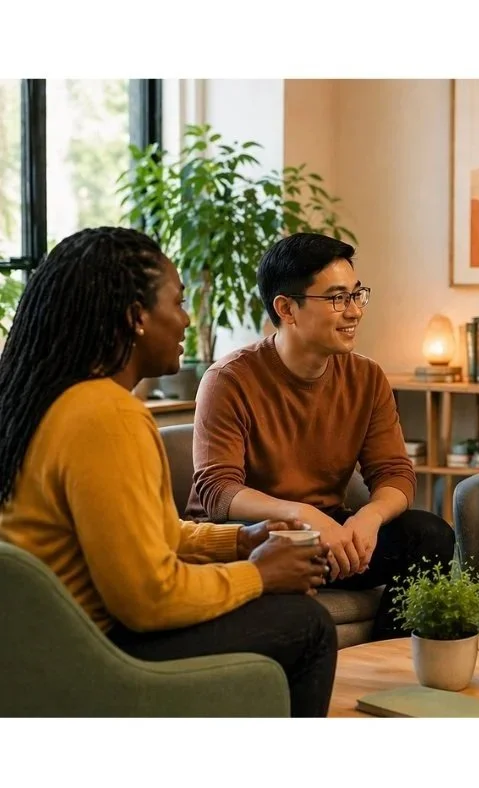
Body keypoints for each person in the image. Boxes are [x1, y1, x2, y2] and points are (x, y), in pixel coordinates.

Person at [0, 227, 338, 717]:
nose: (186, 320)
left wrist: (238, 542)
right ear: (137, 316)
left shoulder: (44, 397)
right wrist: (259, 574)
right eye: (177, 303)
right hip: (91, 656)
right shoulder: (108, 416)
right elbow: (148, 599)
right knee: (304, 625)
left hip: (35, 651)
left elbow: (133, 536)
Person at [185, 232, 455, 640]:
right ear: (286, 309)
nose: (353, 312)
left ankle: (389, 664)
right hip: (255, 537)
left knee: (431, 535)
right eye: (336, 298)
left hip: (332, 536)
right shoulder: (229, 381)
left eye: (356, 294)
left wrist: (367, 519)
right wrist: (300, 515)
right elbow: (218, 492)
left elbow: (396, 474)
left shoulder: (366, 377)